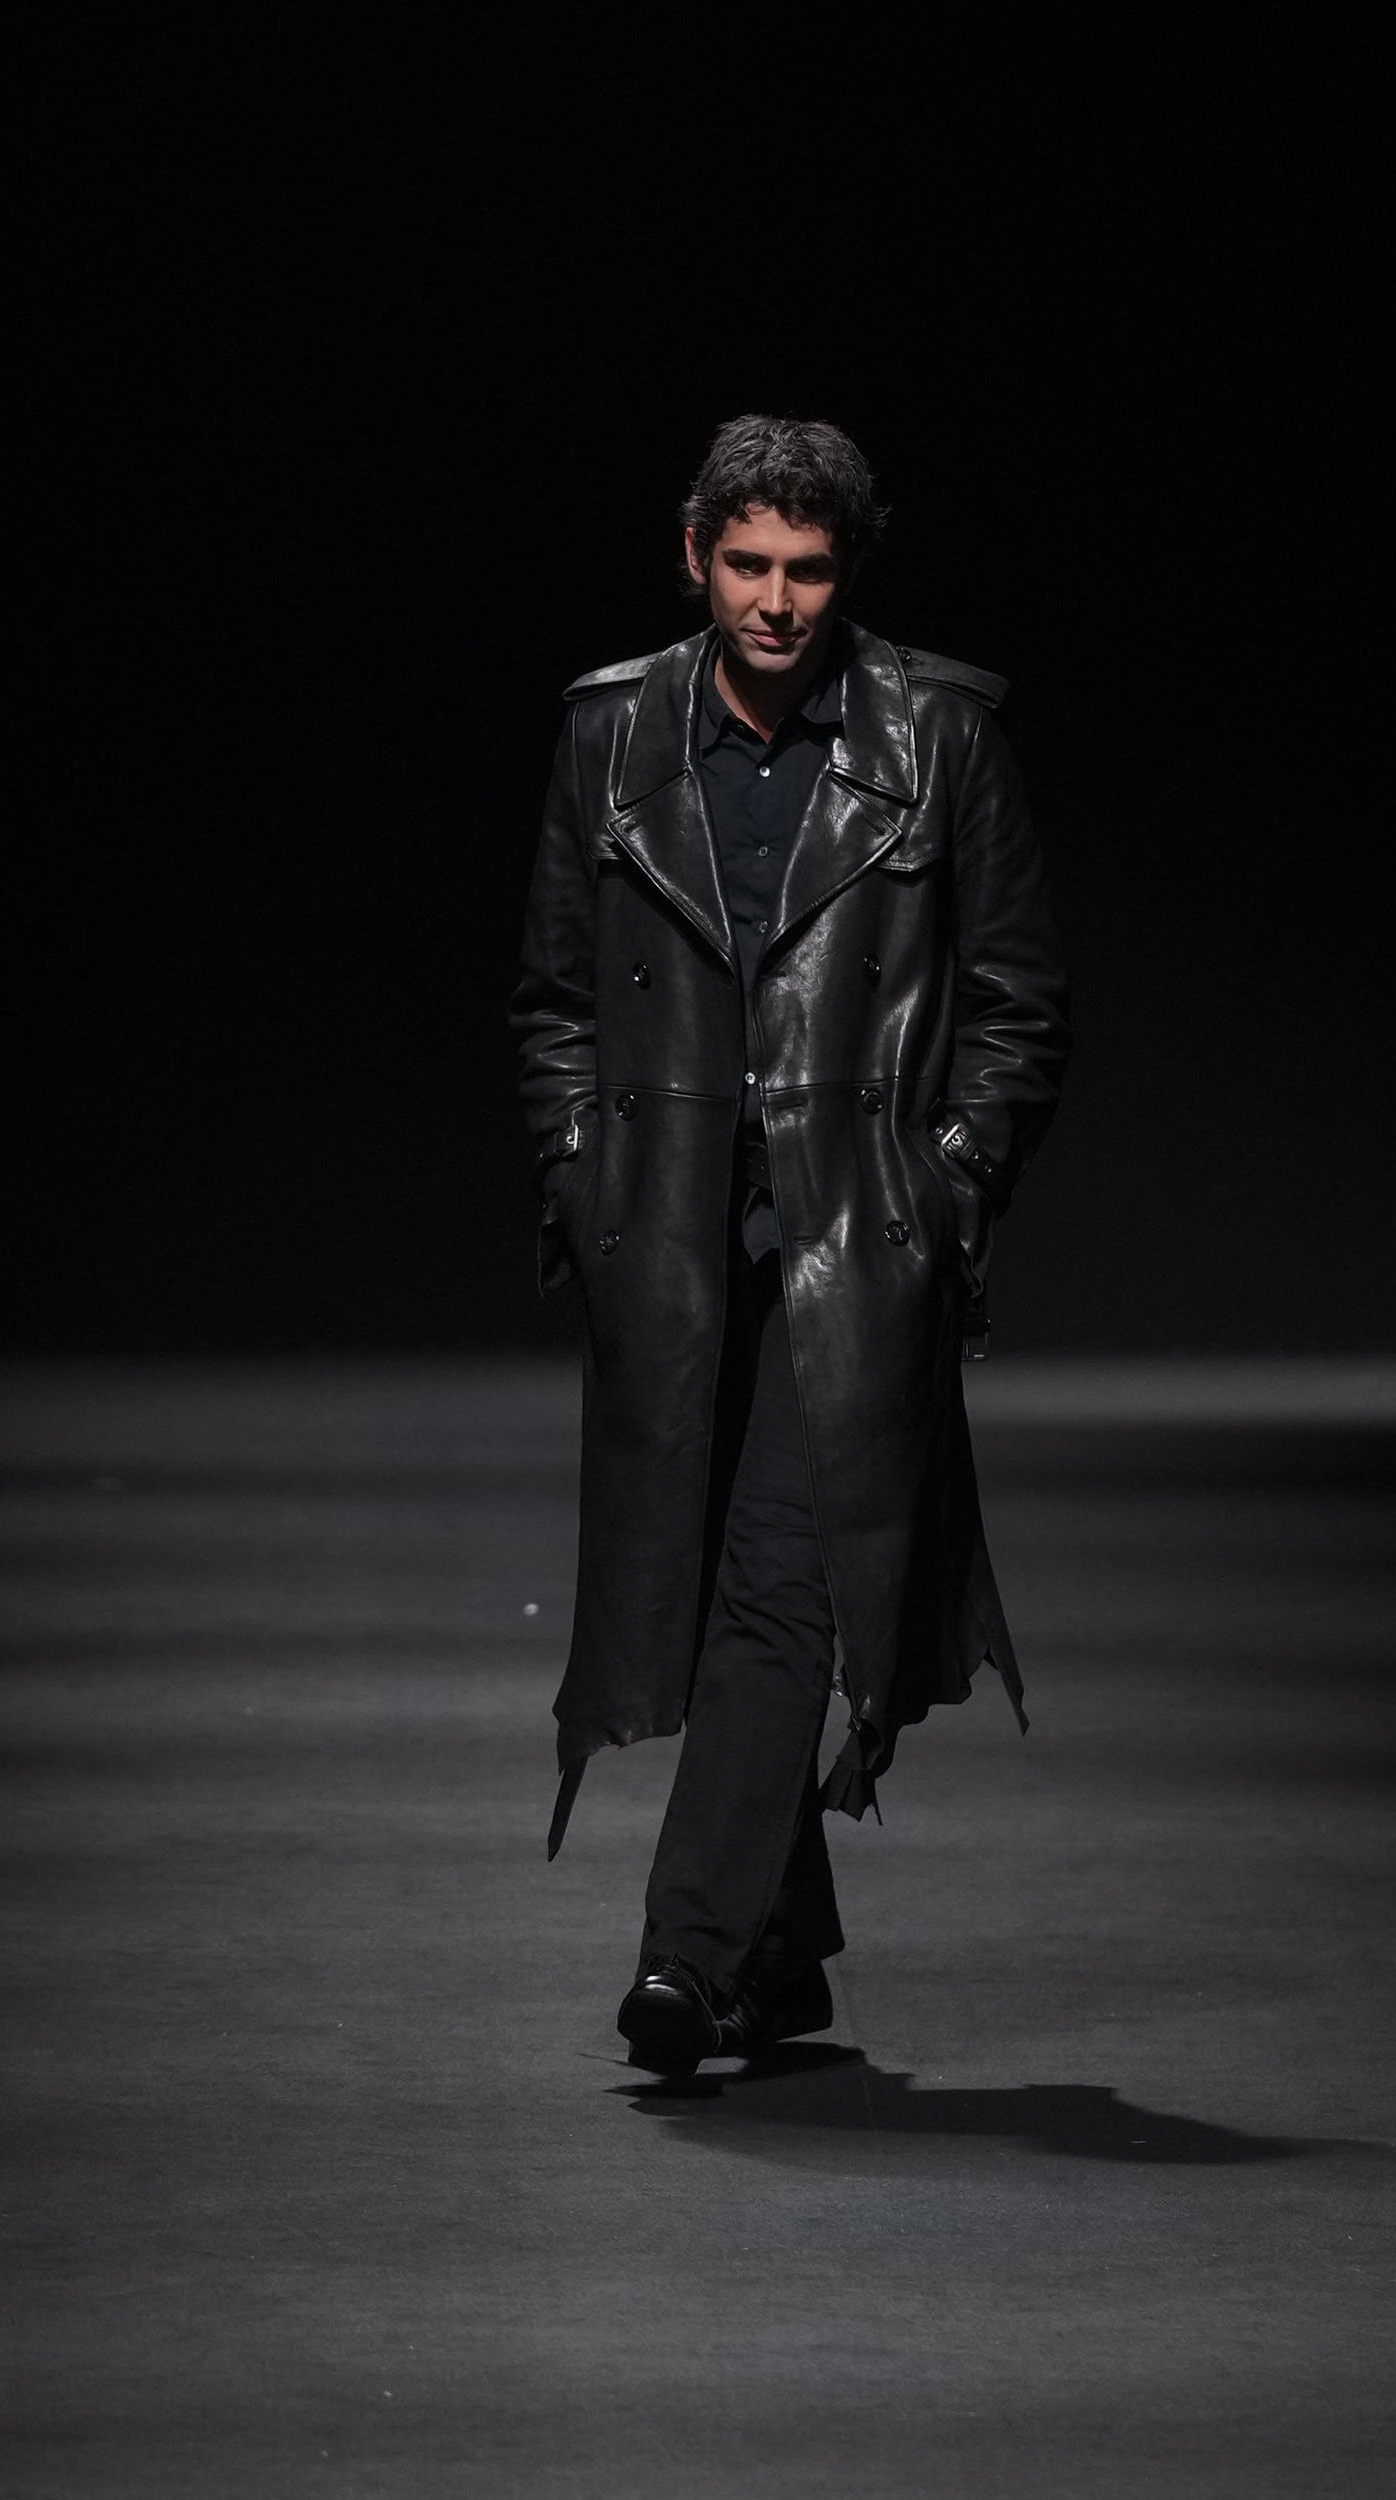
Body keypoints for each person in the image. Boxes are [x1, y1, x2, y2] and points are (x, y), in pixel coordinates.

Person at [510, 415, 1071, 2070]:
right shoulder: (612, 733)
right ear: (695, 555)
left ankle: (685, 1959)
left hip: (855, 1235)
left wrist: (946, 1183)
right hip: (670, 1236)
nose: (774, 600)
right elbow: (553, 995)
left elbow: (1020, 998)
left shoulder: (940, 735)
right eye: (747, 563)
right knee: (700, 1592)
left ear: (848, 572)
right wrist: (580, 1177)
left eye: (807, 570)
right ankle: (787, 1954)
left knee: (779, 1588)